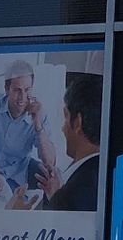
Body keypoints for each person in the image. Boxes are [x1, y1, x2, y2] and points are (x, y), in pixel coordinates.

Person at [0, 58, 59, 195]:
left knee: (52, 176)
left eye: (27, 90)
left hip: (19, 171)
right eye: (17, 90)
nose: (22, 97)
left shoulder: (40, 114)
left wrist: (38, 125)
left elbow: (50, 161)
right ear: (6, 89)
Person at [40, 72, 102, 212]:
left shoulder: (76, 191)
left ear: (78, 122)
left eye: (66, 117)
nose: (63, 129)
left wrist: (16, 213)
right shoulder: (103, 173)